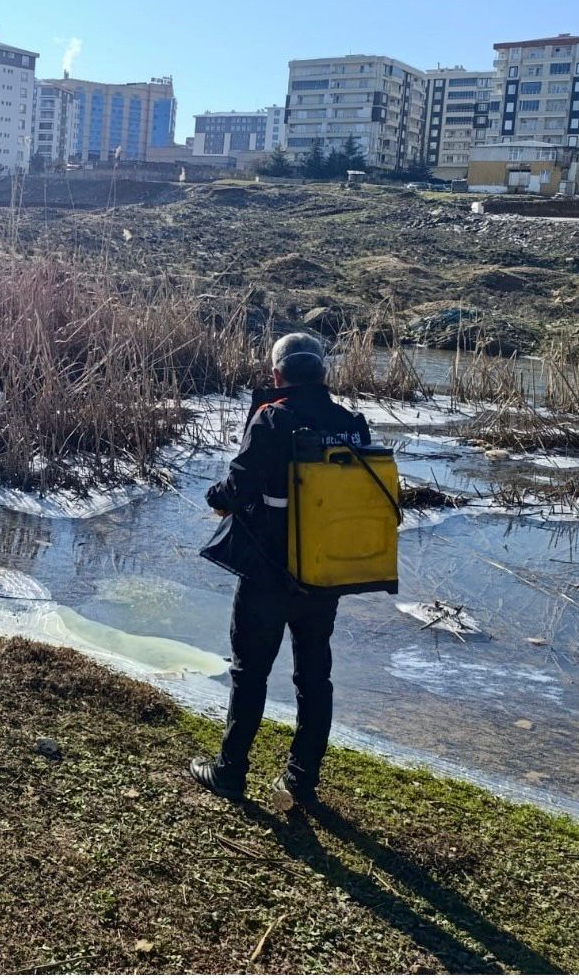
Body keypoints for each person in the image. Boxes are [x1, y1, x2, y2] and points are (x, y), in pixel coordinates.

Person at [190, 332, 370, 808]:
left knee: (249, 673)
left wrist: (214, 497)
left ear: (276, 376)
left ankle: (230, 772)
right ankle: (301, 781)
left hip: (268, 574)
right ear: (323, 373)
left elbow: (237, 488)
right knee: (314, 678)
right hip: (323, 573)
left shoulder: (272, 418)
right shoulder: (350, 423)